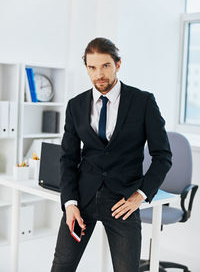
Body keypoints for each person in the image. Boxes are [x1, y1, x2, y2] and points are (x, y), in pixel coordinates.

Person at [50, 37, 172, 272]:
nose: (99, 75)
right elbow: (68, 158)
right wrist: (69, 203)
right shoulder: (76, 106)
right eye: (92, 68)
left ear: (118, 64)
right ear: (86, 68)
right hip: (82, 200)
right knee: (61, 267)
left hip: (122, 201)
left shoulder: (143, 102)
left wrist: (141, 194)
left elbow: (163, 155)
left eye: (105, 66)